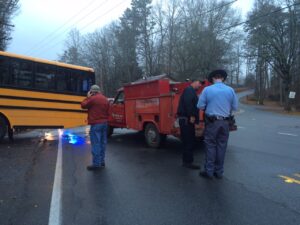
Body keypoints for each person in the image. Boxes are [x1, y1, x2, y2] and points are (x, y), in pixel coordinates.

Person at [197, 69, 238, 179]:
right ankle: (219, 172)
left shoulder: (207, 89)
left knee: (210, 145)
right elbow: (235, 107)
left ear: (213, 78)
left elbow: (200, 106)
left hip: (212, 122)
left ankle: (209, 171)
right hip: (225, 122)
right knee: (222, 146)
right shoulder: (230, 90)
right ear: (223, 78)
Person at [81, 85, 109, 171]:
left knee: (96, 143)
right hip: (104, 123)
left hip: (96, 124)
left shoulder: (92, 98)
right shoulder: (105, 99)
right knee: (102, 143)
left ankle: (96, 164)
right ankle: (101, 161)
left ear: (92, 91)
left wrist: (87, 97)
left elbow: (83, 105)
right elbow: (108, 109)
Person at [177, 80, 201, 169]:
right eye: (199, 83)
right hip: (187, 120)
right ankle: (188, 162)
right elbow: (188, 103)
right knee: (189, 141)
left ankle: (187, 161)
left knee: (188, 141)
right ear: (194, 82)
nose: (200, 85)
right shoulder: (189, 90)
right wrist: (191, 115)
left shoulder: (190, 91)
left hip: (186, 120)